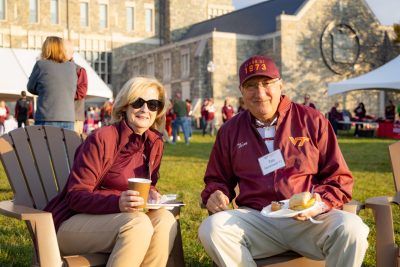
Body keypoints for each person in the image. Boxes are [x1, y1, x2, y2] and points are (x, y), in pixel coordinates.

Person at [198, 55, 369, 267]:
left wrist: (317, 204)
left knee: (353, 228)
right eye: (251, 86)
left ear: (281, 85)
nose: (260, 93)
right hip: (257, 219)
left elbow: (339, 178)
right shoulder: (230, 130)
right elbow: (217, 178)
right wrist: (216, 193)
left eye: (267, 84)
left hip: (308, 219)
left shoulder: (312, 120)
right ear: (241, 91)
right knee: (211, 228)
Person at [44, 76, 177, 267]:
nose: (145, 109)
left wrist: (152, 195)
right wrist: (118, 202)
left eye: (153, 104)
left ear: (158, 111)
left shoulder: (154, 142)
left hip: (124, 218)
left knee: (164, 219)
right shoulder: (102, 139)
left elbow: (149, 184)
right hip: (72, 223)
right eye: (138, 102)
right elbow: (75, 196)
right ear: (125, 105)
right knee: (138, 225)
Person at [27, 36, 78, 130]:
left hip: (46, 116)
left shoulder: (41, 64)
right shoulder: (72, 67)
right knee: (66, 145)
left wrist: (44, 90)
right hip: (68, 118)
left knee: (43, 145)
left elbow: (30, 87)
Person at [64, 40, 88, 134]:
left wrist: (63, 95)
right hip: (60, 116)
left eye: (64, 51)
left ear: (71, 53)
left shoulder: (79, 70)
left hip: (75, 117)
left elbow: (81, 91)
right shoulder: (55, 68)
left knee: (73, 146)